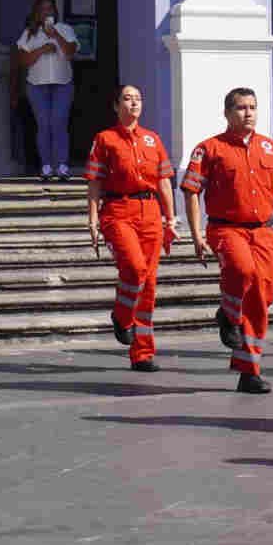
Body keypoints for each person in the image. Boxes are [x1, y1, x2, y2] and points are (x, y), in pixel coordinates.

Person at [181, 88, 273, 393]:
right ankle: (230, 314)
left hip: (263, 231)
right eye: (241, 108)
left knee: (261, 297)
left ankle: (249, 369)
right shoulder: (209, 149)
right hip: (226, 229)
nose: (248, 113)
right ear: (227, 113)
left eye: (253, 107)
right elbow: (191, 191)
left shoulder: (271, 148)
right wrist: (196, 234)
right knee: (242, 271)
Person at [85, 85, 178, 372]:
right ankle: (122, 316)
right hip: (118, 211)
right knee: (135, 269)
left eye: (138, 98)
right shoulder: (105, 139)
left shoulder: (152, 139)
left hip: (150, 212)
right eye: (127, 98)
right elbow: (95, 181)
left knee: (148, 284)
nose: (134, 103)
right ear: (116, 106)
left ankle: (142, 353)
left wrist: (171, 218)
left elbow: (164, 182)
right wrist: (91, 218)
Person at [14, 0, 79, 181]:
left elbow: (70, 52)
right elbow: (23, 60)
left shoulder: (64, 29)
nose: (46, 12)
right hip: (37, 85)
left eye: (49, 8)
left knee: (59, 122)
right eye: (42, 9)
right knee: (44, 125)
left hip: (62, 84)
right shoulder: (29, 33)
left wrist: (55, 36)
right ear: (37, 13)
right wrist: (42, 49)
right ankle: (46, 165)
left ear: (54, 11)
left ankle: (62, 165)